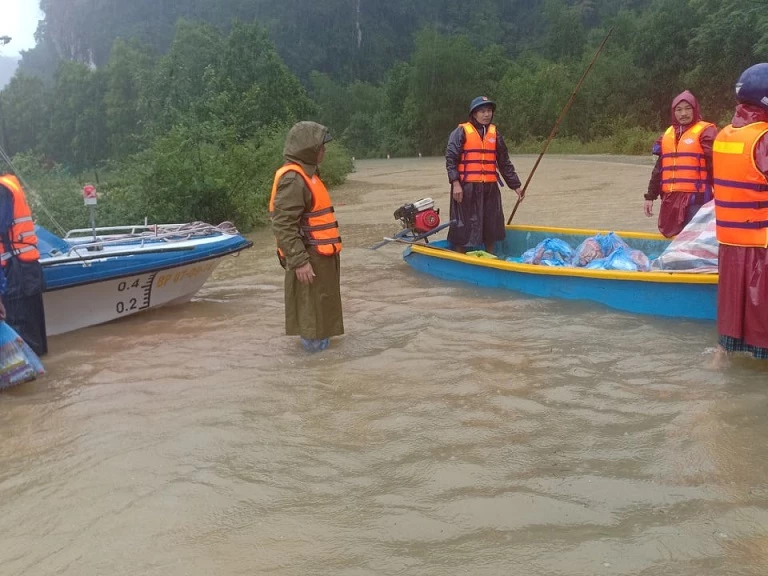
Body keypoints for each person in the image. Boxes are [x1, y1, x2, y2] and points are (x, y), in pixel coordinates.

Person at [269, 121, 343, 353]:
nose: (325, 150)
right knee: (313, 321)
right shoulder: (293, 179)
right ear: (308, 148)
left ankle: (322, 365)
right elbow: (283, 223)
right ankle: (317, 373)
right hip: (308, 260)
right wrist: (299, 261)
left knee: (321, 315)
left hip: (319, 258)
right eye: (321, 146)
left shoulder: (308, 175)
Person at [712, 63, 768, 363]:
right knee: (763, 319)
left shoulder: (725, 134)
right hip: (761, 246)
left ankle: (721, 356)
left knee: (733, 314)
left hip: (730, 244)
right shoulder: (764, 138)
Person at [445, 96, 523, 254]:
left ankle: (491, 256)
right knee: (463, 225)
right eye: (482, 111)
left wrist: (515, 185)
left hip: (489, 188)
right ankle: (460, 256)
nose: (486, 114)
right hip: (466, 188)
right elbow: (451, 159)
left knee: (491, 223)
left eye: (489, 111)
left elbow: (504, 162)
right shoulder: (461, 132)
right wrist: (456, 183)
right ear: (474, 114)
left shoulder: (495, 133)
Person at [644, 91, 718, 238]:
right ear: (673, 112)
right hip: (671, 199)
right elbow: (659, 169)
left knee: (696, 241)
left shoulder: (706, 132)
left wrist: (723, 195)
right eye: (679, 110)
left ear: (695, 109)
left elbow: (715, 167)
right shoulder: (667, 135)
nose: (683, 113)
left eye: (687, 108)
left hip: (697, 200)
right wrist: (649, 197)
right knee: (676, 239)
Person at [0, 173, 47, 356]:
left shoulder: (2, 190)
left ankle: (30, 378)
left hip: (14, 271)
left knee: (22, 340)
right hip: (25, 268)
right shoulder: (8, 184)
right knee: (33, 334)